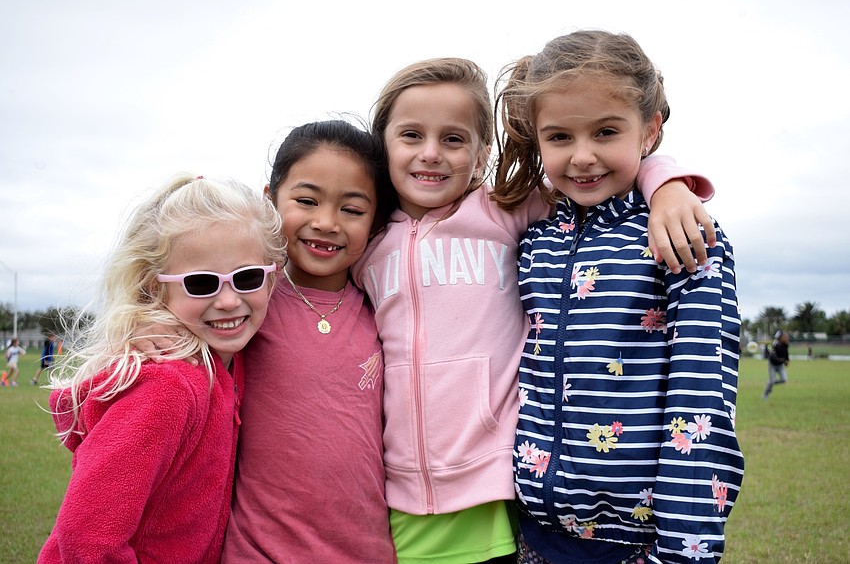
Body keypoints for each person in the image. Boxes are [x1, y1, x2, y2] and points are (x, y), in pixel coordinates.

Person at [351, 56, 719, 563]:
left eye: (454, 139)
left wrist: (666, 183)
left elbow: (597, 180)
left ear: (482, 153)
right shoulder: (363, 238)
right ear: (383, 146)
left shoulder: (506, 209)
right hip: (395, 486)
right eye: (411, 135)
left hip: (502, 482)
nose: (431, 154)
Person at [493, 30, 744, 563]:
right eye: (559, 137)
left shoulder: (683, 234)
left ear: (649, 130)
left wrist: (683, 553)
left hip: (636, 545)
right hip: (531, 536)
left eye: (606, 132)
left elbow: (702, 404)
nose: (582, 157)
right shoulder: (533, 237)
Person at [38, 174, 284, 563]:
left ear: (273, 275)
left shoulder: (230, 363)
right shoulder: (166, 388)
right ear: (155, 289)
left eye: (247, 277)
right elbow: (87, 540)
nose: (227, 300)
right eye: (201, 284)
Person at [221, 120, 397, 563]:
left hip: (368, 552)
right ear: (270, 201)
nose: (326, 222)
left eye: (352, 210)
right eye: (306, 201)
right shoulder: (244, 305)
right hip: (257, 552)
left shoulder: (385, 310)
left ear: (376, 221)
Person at [763, 330, 790, 398]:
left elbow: (786, 354)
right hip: (773, 365)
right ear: (780, 338)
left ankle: (769, 383)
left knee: (784, 379)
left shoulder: (786, 345)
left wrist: (787, 360)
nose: (786, 338)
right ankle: (765, 394)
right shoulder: (775, 345)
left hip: (780, 365)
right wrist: (782, 360)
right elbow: (773, 357)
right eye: (784, 336)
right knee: (771, 381)